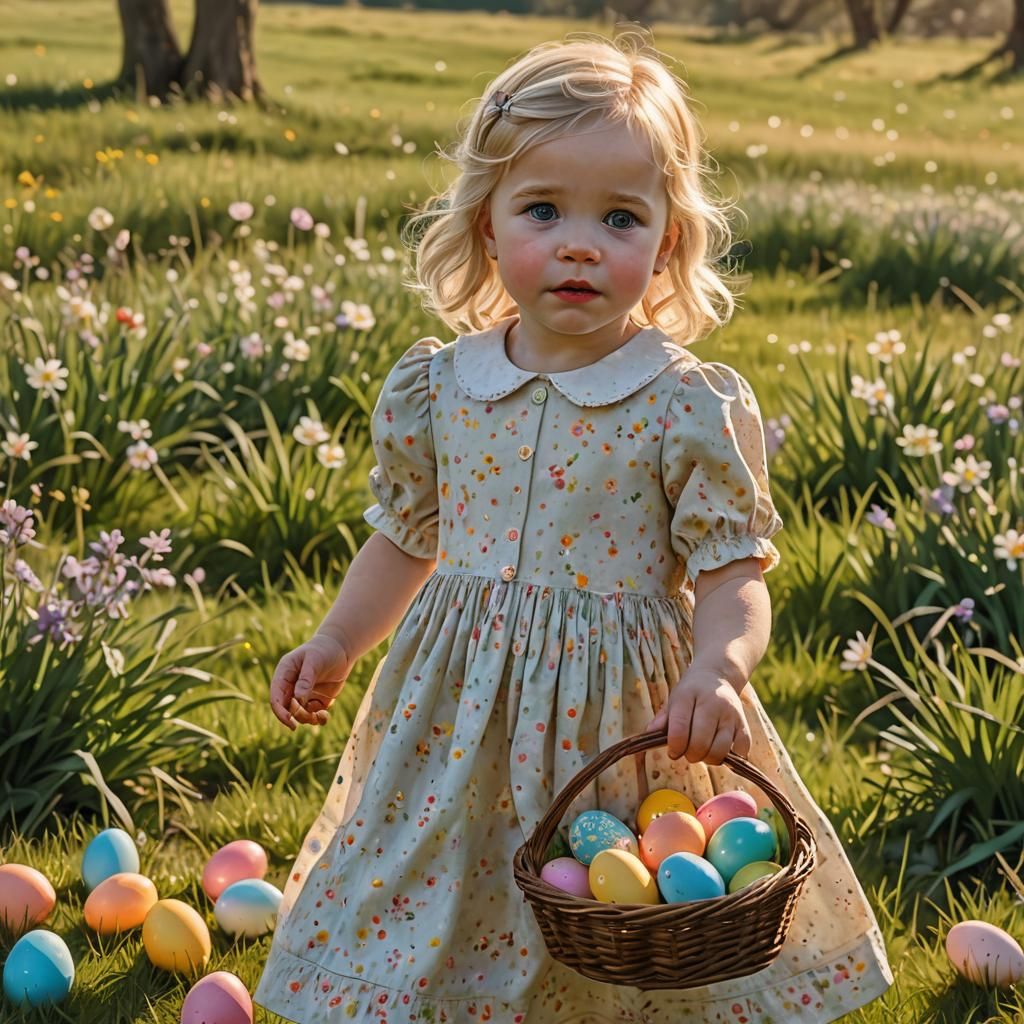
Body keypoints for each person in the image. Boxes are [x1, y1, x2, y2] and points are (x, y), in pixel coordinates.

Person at [252, 29, 893, 1024]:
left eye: (621, 217)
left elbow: (733, 571)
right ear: (486, 227)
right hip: (454, 706)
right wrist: (337, 638)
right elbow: (406, 537)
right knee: (438, 866)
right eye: (543, 209)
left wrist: (719, 667)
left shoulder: (683, 404)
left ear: (667, 241)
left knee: (608, 874)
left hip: (618, 710)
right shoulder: (440, 388)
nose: (580, 242)